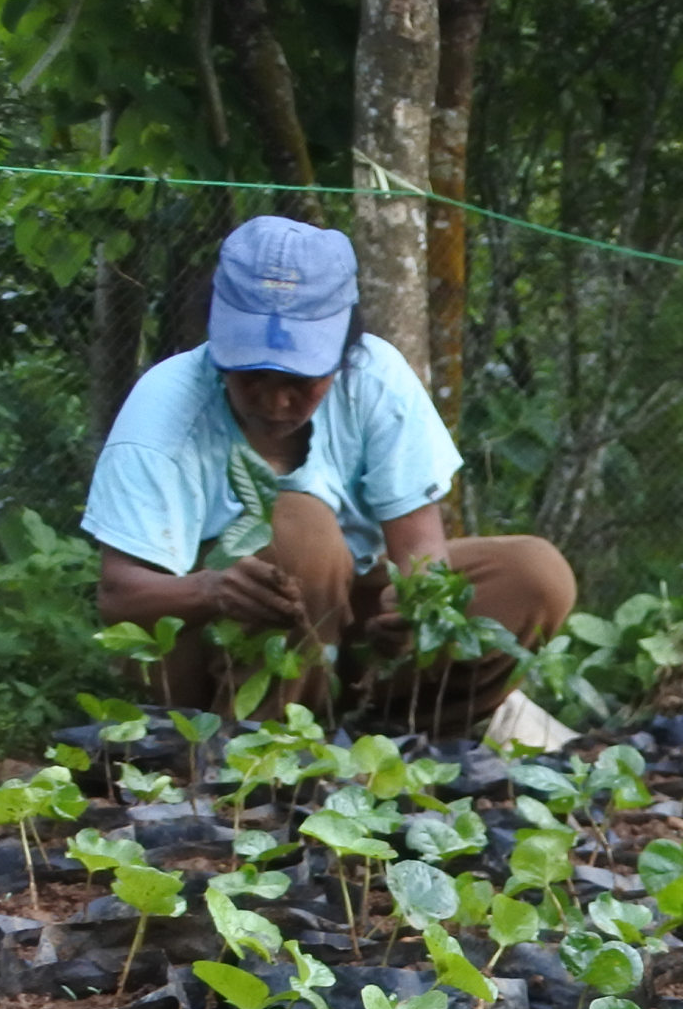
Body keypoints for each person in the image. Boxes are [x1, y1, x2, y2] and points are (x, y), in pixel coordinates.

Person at [81, 214, 574, 736]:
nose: (275, 402)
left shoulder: (377, 379)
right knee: (298, 526)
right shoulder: (166, 406)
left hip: (344, 638)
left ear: (341, 355)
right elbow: (119, 596)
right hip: (212, 657)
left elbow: (422, 553)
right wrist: (211, 590)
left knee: (533, 575)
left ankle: (398, 740)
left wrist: (410, 609)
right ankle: (258, 756)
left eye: (299, 380)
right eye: (250, 376)